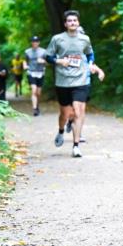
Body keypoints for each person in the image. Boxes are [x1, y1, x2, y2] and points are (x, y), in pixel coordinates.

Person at [45, 11, 103, 158]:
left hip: (80, 80)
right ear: (65, 24)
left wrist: (90, 64)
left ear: (78, 22)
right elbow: (48, 56)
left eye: (75, 20)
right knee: (65, 114)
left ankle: (76, 146)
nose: (72, 23)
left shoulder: (84, 39)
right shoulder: (57, 39)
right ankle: (60, 130)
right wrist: (59, 61)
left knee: (78, 112)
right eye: (69, 21)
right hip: (63, 81)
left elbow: (90, 53)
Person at [24, 36, 47, 116]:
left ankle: (37, 106)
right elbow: (25, 61)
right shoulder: (27, 52)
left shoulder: (43, 51)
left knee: (38, 93)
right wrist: (25, 65)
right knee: (34, 90)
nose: (35, 43)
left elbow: (48, 62)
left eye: (36, 41)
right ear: (31, 43)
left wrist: (43, 61)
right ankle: (34, 109)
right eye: (33, 41)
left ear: (39, 42)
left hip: (40, 73)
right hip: (31, 72)